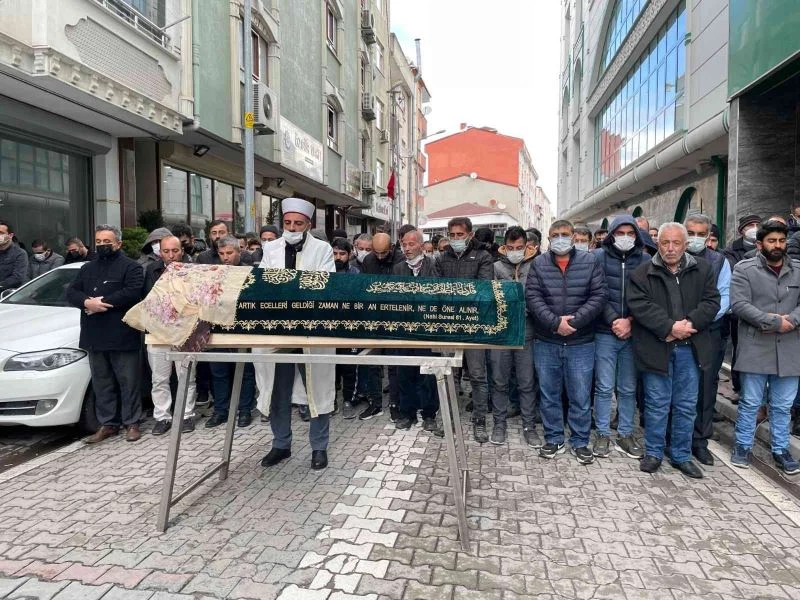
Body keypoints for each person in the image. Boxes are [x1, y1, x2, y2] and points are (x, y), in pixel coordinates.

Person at [628, 222, 720, 478]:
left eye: (676, 243)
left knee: (686, 404)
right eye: (665, 243)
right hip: (658, 347)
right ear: (658, 244)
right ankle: (654, 452)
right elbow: (640, 305)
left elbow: (712, 301)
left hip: (690, 348)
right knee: (657, 403)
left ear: (685, 244)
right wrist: (669, 326)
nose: (670, 248)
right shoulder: (642, 272)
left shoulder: (703, 269)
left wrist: (690, 323)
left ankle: (681, 454)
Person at [257, 198, 336, 470]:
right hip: (278, 329)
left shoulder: (323, 249)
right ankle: (281, 444)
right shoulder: (270, 247)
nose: (291, 228)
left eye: (297, 224)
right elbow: (264, 282)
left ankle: (319, 447)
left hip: (312, 329)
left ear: (308, 225)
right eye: (288, 223)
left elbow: (325, 284)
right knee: (277, 388)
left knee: (318, 387)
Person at [527, 220, 607, 463]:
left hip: (581, 341)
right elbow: (532, 296)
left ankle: (580, 441)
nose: (560, 238)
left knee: (580, 395)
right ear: (548, 239)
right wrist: (554, 323)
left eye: (564, 234)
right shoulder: (539, 263)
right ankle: (553, 438)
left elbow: (599, 295)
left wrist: (574, 322)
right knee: (549, 393)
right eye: (555, 235)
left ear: (573, 237)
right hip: (546, 340)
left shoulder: (590, 261)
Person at [729, 219, 800, 473]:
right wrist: (773, 322)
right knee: (750, 401)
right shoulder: (744, 269)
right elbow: (739, 304)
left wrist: (792, 320)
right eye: (772, 241)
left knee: (782, 406)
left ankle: (781, 450)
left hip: (790, 348)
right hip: (756, 345)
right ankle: (742, 445)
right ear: (760, 244)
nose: (777, 245)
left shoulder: (798, 269)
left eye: (781, 240)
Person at [66, 225, 144, 443]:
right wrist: (85, 302)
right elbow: (71, 291)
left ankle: (132, 422)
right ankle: (108, 424)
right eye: (98, 241)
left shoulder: (132, 267)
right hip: (95, 334)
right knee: (102, 382)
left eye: (107, 241)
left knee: (128, 382)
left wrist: (101, 303)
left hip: (122, 334)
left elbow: (132, 292)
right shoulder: (87, 268)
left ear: (118, 243)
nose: (102, 245)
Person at [591, 216, 650, 459]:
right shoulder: (598, 258)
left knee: (627, 388)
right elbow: (596, 292)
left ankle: (625, 433)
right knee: (604, 387)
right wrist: (615, 319)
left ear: (637, 235)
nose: (625, 237)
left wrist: (631, 321)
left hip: (633, 333)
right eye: (620, 232)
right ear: (612, 234)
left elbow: (649, 296)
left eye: (631, 232)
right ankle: (602, 434)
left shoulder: (646, 260)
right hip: (606, 331)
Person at [439, 217, 497, 442]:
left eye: (459, 235)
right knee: (449, 374)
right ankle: (449, 418)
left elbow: (482, 290)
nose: (455, 239)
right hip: (449, 324)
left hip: (475, 324)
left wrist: (456, 295)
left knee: (477, 374)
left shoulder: (483, 257)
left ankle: (480, 420)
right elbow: (437, 289)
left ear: (470, 235)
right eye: (452, 235)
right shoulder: (442, 258)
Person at [684, 214, 731, 466]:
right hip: (677, 331)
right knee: (676, 386)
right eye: (691, 232)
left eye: (701, 234)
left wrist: (697, 321)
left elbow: (724, 298)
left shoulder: (719, 261)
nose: (695, 238)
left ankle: (700, 441)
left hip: (708, 331)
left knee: (705, 387)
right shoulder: (674, 255)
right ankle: (675, 437)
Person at [491, 226, 541, 447]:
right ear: (504, 246)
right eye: (510, 247)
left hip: (526, 331)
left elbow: (540, 296)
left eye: (519, 247)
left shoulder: (536, 266)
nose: (514, 251)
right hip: (501, 332)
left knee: (526, 381)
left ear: (527, 246)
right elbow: (488, 297)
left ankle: (529, 426)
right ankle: (499, 423)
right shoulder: (496, 267)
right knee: (500, 380)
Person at [144, 236, 197, 435]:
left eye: (174, 251)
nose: (171, 255)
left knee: (187, 375)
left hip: (185, 329)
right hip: (158, 331)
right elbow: (146, 297)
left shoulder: (192, 270)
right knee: (159, 378)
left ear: (181, 251)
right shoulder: (151, 270)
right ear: (160, 252)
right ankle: (162, 417)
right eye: (166, 251)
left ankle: (187, 415)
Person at [204, 235, 257, 429]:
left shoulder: (250, 272)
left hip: (243, 328)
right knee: (219, 372)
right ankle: (221, 410)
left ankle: (244, 410)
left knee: (245, 372)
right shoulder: (213, 272)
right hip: (218, 327)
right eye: (221, 253)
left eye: (229, 253)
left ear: (239, 252)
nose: (225, 257)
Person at [392, 229, 442, 433]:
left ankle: (429, 414)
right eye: (404, 244)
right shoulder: (398, 269)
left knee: (428, 374)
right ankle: (407, 413)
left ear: (422, 245)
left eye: (411, 244)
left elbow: (439, 294)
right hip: (405, 329)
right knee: (405, 372)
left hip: (428, 328)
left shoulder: (434, 265)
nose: (407, 248)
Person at [724, 214, 762, 397]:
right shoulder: (732, 251)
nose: (754, 228)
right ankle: (739, 387)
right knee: (740, 349)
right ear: (741, 230)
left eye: (757, 225)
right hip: (739, 311)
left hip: (762, 308)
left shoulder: (767, 249)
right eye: (750, 225)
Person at [332, 237, 361, 419]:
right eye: (335, 253)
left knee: (349, 368)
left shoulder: (355, 274)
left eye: (342, 254)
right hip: (328, 330)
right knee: (330, 368)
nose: (338, 257)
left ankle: (348, 401)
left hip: (349, 329)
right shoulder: (324, 272)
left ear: (349, 255)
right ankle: (331, 400)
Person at [0, 219, 29, 293]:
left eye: (1, 233)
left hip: (8, 296)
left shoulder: (20, 254)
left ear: (10, 235)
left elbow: (17, 278)